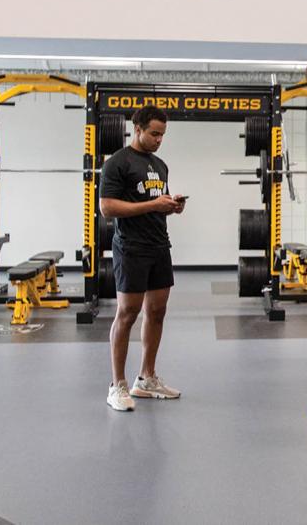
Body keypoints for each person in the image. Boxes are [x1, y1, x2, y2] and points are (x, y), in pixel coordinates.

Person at [99, 106, 186, 412]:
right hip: (131, 247)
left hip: (159, 245)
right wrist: (152, 205)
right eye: (154, 133)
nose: (159, 139)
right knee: (127, 313)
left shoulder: (160, 165)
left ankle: (146, 379)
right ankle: (117, 385)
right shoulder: (117, 164)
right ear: (137, 128)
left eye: (162, 134)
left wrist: (171, 206)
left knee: (158, 311)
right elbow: (107, 208)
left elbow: (153, 201)